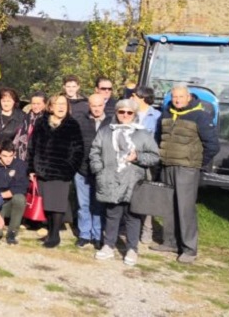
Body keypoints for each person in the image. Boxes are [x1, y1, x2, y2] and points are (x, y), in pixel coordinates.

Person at [153, 84, 219, 263]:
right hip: (167, 165)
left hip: (187, 169)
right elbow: (158, 138)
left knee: (185, 208)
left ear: (188, 97)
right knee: (168, 206)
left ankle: (189, 249)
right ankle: (170, 242)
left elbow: (213, 145)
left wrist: (196, 163)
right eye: (174, 97)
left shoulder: (201, 116)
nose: (177, 100)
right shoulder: (165, 114)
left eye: (181, 97)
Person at [90, 99, 160, 266]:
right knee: (112, 214)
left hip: (133, 181)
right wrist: (99, 170)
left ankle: (131, 249)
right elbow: (95, 151)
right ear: (116, 113)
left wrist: (138, 157)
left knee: (132, 216)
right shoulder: (106, 131)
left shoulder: (143, 134)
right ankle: (108, 246)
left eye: (129, 112)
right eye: (122, 111)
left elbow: (154, 156)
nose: (125, 115)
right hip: (110, 179)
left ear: (134, 115)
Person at [27, 93, 84, 248]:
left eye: (64, 104)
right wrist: (31, 168)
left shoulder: (72, 125)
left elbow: (78, 151)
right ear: (51, 107)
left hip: (61, 173)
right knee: (47, 204)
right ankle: (50, 232)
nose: (61, 107)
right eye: (58, 104)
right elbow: (32, 146)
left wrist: (69, 169)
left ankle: (55, 236)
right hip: (43, 171)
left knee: (57, 206)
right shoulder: (41, 122)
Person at [73, 93, 112, 249]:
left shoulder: (111, 122)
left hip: (102, 170)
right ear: (89, 106)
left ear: (104, 105)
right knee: (83, 204)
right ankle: (84, 234)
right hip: (82, 169)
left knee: (98, 205)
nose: (96, 109)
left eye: (99, 105)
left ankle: (97, 235)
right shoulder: (80, 121)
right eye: (93, 106)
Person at [130, 85, 161, 244]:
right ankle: (127, 225)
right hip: (130, 160)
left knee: (147, 196)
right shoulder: (129, 112)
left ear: (142, 97)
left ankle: (147, 229)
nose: (131, 97)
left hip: (148, 162)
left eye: (134, 95)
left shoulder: (157, 116)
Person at [0, 140, 29, 245]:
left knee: (20, 198)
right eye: (4, 156)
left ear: (14, 154)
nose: (8, 159)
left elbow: (21, 188)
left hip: (10, 203)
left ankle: (12, 232)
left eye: (10, 156)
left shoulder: (21, 165)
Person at [0, 87, 24, 161]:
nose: (6, 104)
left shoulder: (22, 116)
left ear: (14, 101)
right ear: (0, 101)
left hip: (10, 157)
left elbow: (22, 138)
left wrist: (10, 149)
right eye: (3, 101)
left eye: (9, 101)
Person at [13, 91, 46, 161]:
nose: (35, 106)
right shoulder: (25, 118)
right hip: (22, 156)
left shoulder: (49, 119)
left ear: (45, 104)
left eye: (38, 104)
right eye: (33, 103)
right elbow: (17, 137)